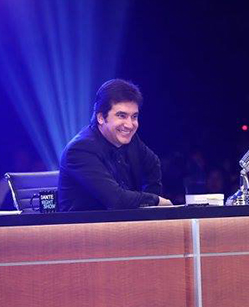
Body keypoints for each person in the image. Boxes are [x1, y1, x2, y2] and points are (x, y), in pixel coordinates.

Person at [58, 79, 172, 211]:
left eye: (134, 117)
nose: (130, 125)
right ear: (101, 117)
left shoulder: (131, 140)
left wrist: (150, 210)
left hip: (122, 226)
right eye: (121, 116)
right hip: (85, 229)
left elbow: (153, 164)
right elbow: (116, 200)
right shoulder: (79, 150)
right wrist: (155, 200)